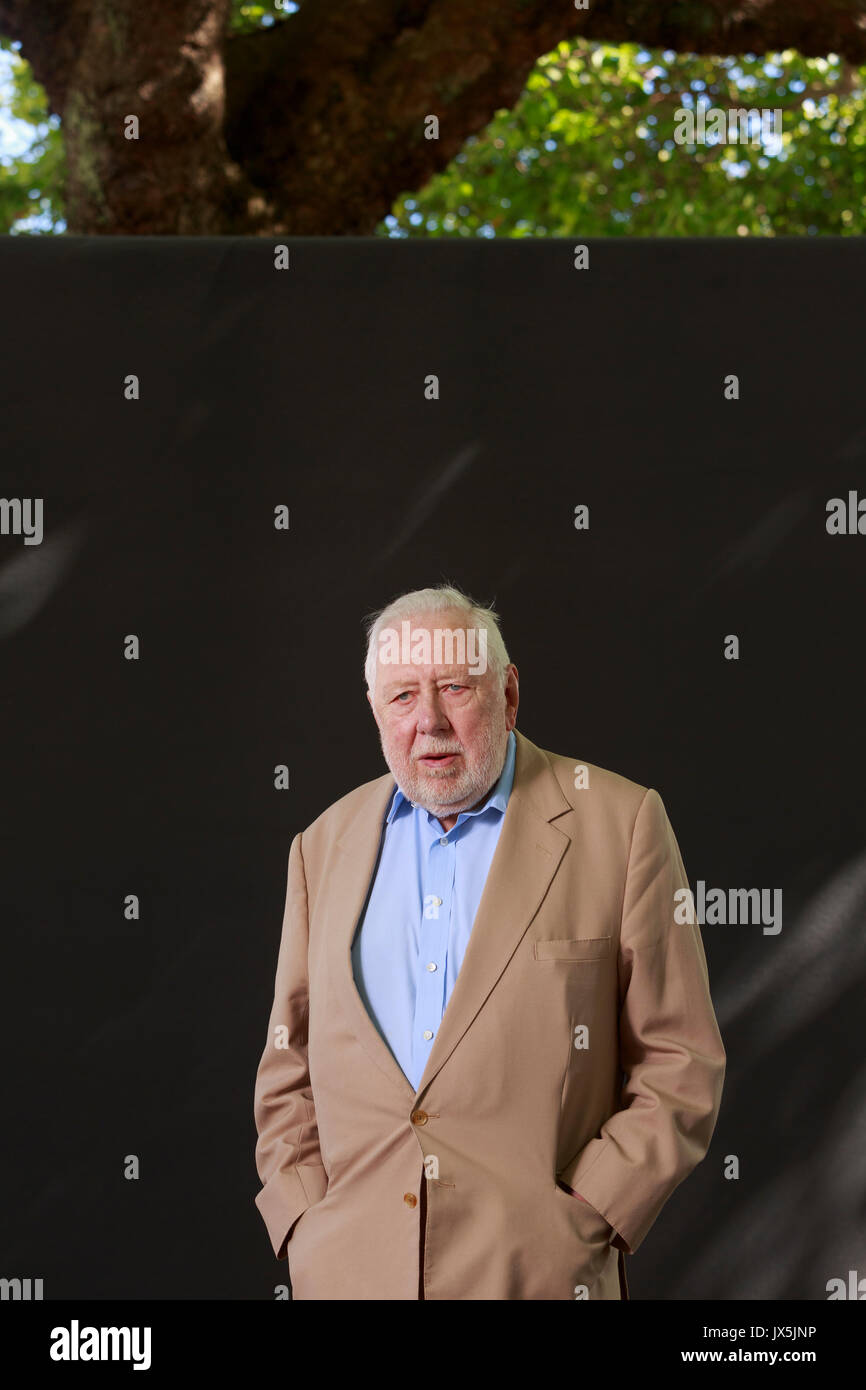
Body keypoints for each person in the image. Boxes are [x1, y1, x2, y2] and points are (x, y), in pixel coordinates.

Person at [253, 584, 726, 1299]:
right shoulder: (322, 847)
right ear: (375, 709)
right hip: (348, 1277)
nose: (430, 723)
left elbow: (680, 1058)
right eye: (403, 697)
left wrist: (591, 1213)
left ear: (508, 692)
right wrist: (302, 1218)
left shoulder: (622, 825)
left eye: (454, 688)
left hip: (538, 1277)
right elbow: (287, 1064)